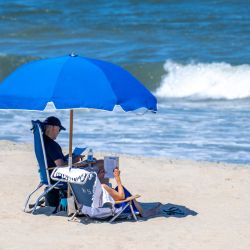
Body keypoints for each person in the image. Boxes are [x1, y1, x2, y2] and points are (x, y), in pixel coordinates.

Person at [97, 166, 162, 218]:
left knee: (116, 189)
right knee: (122, 190)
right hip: (113, 207)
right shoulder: (103, 186)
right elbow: (121, 197)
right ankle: (142, 213)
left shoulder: (89, 189)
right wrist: (117, 178)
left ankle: (140, 210)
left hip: (97, 207)